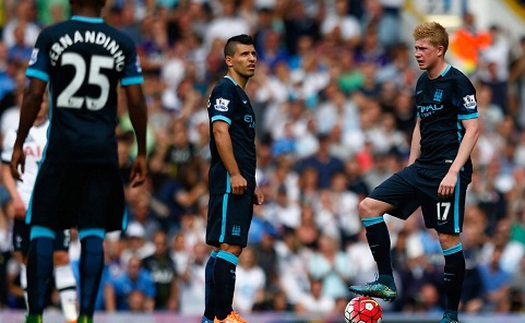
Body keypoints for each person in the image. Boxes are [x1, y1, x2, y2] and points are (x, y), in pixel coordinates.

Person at [10, 1, 148, 322]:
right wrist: (141, 150)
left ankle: (36, 315)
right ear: (103, 2)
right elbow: (137, 101)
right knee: (92, 233)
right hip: (101, 150)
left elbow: (33, 95)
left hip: (62, 147)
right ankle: (86, 316)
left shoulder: (51, 35)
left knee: (43, 229)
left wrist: (19, 141)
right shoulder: (122, 42)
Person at [348, 21, 479, 323]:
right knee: (369, 207)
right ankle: (386, 280)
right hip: (421, 169)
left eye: (423, 48)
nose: (417, 53)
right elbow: (420, 125)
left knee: (447, 239)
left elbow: (472, 129)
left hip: (447, 169)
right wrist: (410, 167)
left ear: (440, 49)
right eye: (415, 48)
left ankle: (451, 314)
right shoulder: (422, 82)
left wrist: (453, 172)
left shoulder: (458, 82)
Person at [202, 34, 264, 323]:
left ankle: (210, 317)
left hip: (239, 182)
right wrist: (236, 174)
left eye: (253, 53)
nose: (251, 58)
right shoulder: (226, 90)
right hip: (229, 181)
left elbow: (241, 144)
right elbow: (219, 132)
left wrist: (251, 183)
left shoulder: (241, 94)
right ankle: (222, 316)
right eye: (244, 54)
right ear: (229, 60)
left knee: (223, 248)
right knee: (230, 246)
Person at [1, 95, 78, 322]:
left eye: (43, 101)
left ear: (48, 104)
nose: (40, 106)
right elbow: (6, 169)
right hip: (24, 205)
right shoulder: (15, 136)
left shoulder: (57, 132)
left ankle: (72, 317)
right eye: (35, 101)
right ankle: (33, 315)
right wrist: (15, 198)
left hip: (54, 207)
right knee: (27, 260)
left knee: (61, 257)